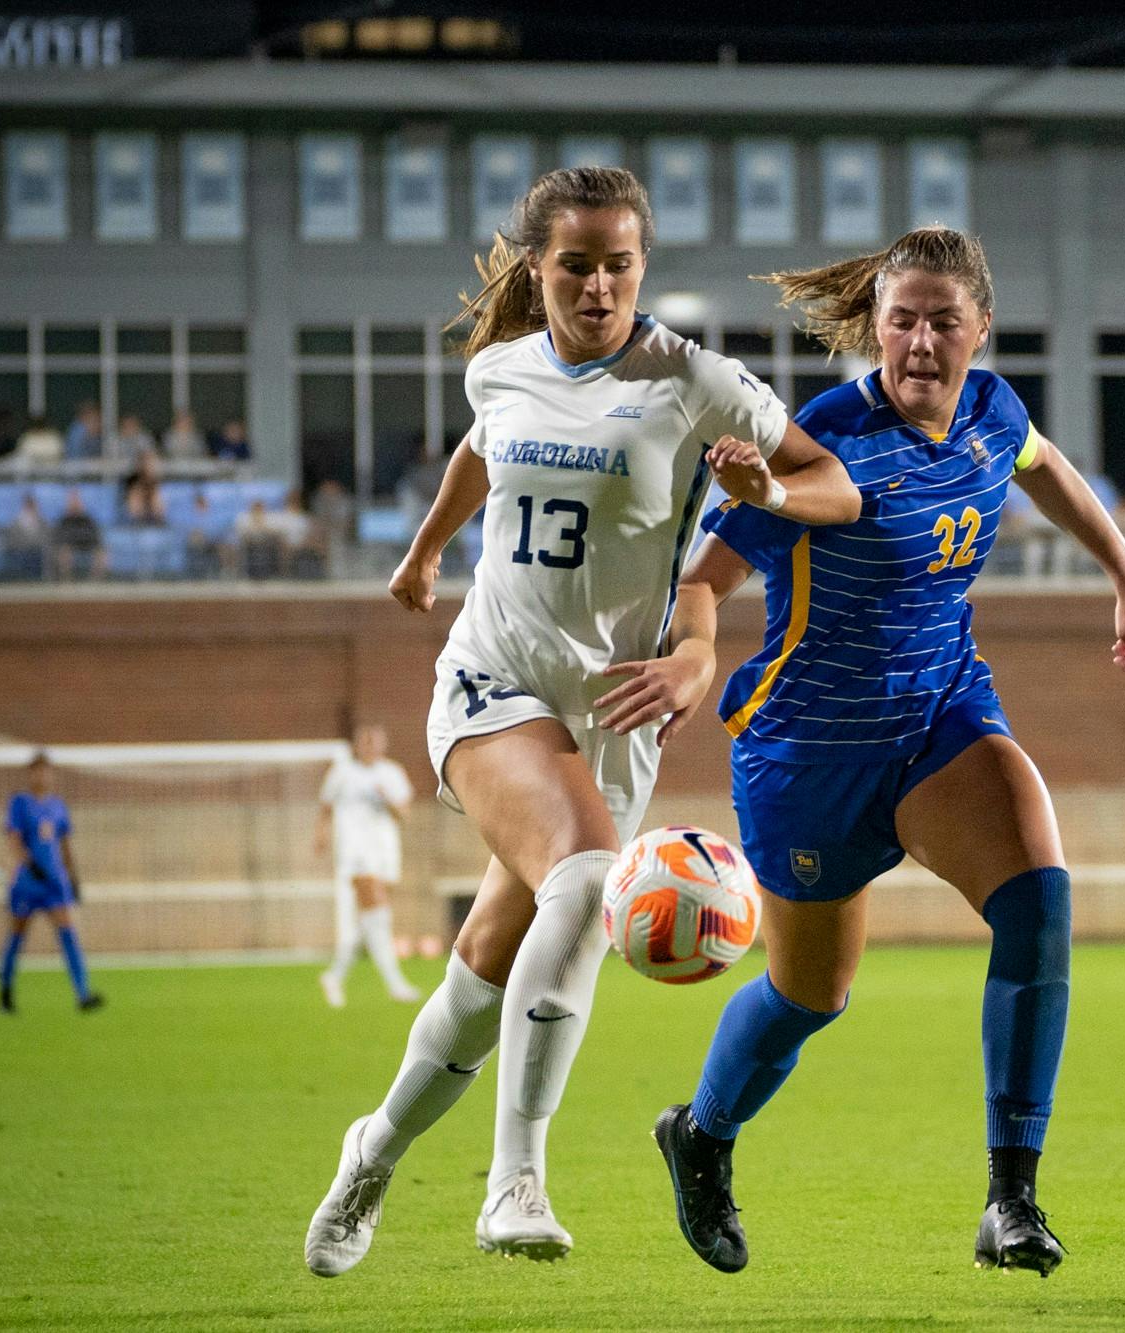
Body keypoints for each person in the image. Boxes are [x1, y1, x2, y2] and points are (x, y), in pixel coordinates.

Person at [302, 164, 859, 1278]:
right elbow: (479, 453)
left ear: (640, 266)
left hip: (611, 716)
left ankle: (371, 1151)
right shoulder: (502, 368)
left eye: (618, 265)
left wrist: (768, 500)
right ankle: (516, 1180)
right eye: (575, 265)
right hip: (490, 682)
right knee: (587, 879)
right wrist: (422, 554)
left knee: (479, 977)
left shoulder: (695, 379)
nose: (597, 286)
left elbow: (835, 486)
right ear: (537, 268)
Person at [643, 225, 1125, 1279]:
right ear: (874, 327)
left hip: (939, 716)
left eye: (942, 320)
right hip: (809, 752)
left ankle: (1009, 1198)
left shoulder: (991, 410)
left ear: (980, 327)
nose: (920, 340)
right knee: (808, 997)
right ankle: (699, 1136)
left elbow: (1045, 465)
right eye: (901, 319)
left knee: (1037, 902)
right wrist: (693, 657)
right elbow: (703, 579)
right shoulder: (819, 434)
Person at [314, 724, 421, 1008]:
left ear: (382, 746)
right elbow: (325, 807)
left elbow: (404, 814)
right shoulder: (343, 772)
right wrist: (321, 835)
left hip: (385, 851)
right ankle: (395, 984)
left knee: (369, 922)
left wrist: (386, 798)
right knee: (379, 914)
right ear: (357, 746)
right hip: (355, 852)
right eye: (365, 743)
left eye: (375, 743)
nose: (369, 748)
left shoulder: (392, 773)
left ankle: (335, 975)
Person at [0, 753, 102, 1013]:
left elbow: (64, 843)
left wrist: (73, 876)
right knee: (17, 935)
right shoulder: (20, 803)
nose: (42, 776)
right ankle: (6, 990)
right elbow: (13, 838)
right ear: (30, 774)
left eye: (46, 771)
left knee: (68, 933)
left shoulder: (57, 806)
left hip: (55, 883)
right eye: (37, 771)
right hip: (28, 883)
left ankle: (83, 994)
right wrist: (30, 865)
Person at [51, 492, 105, 579]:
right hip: (69, 547)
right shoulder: (63, 520)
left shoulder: (88, 519)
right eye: (72, 501)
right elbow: (59, 537)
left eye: (76, 501)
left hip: (87, 546)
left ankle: (95, 582)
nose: (75, 504)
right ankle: (67, 582)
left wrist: (87, 540)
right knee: (64, 552)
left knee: (101, 553)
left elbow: (94, 535)